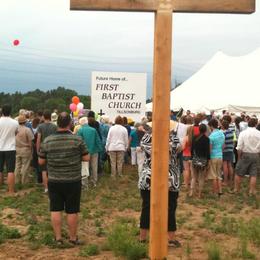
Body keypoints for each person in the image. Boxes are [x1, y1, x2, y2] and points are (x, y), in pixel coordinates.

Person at [38, 112, 89, 245]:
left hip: (54, 179)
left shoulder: (48, 140)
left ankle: (58, 238)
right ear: (70, 124)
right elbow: (86, 157)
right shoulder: (77, 139)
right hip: (73, 180)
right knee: (72, 210)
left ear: (57, 123)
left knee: (55, 209)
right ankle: (72, 238)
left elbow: (41, 162)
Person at [138, 120, 181, 247]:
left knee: (146, 207)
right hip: (170, 178)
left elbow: (143, 148)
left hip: (148, 176)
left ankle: (142, 237)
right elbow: (177, 149)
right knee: (170, 208)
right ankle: (171, 238)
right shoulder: (172, 137)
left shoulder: (147, 137)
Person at [234, 118, 260, 195]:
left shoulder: (243, 133)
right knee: (253, 174)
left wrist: (239, 157)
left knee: (239, 173)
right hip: (255, 154)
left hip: (245, 154)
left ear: (248, 123)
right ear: (256, 124)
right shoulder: (259, 133)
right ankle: (251, 191)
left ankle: (237, 190)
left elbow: (239, 147)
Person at [77, 118, 103, 187]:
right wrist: (100, 149)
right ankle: (94, 182)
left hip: (84, 152)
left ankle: (85, 183)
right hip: (94, 150)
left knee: (85, 167)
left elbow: (78, 142)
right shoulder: (93, 130)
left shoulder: (80, 130)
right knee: (94, 166)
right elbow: (98, 140)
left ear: (81, 123)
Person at [36, 110, 57, 193]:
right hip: (52, 148)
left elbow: (38, 139)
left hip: (43, 148)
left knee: (44, 170)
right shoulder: (54, 126)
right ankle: (53, 186)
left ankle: (46, 188)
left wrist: (37, 149)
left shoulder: (40, 126)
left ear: (44, 117)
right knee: (52, 168)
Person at [0, 104, 19, 194]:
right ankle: (11, 191)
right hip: (10, 148)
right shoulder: (15, 122)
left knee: (0, 170)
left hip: (0, 147)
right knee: (10, 170)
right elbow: (16, 133)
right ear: (10, 111)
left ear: (2, 111)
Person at [190, 124, 210, 198]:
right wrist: (208, 161)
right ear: (205, 130)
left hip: (195, 159)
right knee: (201, 178)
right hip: (203, 160)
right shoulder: (207, 139)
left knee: (194, 177)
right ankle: (199, 194)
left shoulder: (194, 137)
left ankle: (191, 192)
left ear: (199, 129)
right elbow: (207, 151)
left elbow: (192, 149)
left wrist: (192, 157)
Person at [14, 115, 34, 184]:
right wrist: (31, 150)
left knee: (17, 166)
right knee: (25, 166)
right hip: (25, 149)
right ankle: (24, 181)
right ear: (25, 121)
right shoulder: (27, 130)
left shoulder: (15, 129)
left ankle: (16, 180)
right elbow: (30, 141)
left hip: (17, 148)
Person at [208, 118, 225, 196]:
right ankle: (220, 191)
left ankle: (214, 192)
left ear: (211, 126)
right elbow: (223, 146)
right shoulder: (222, 133)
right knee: (219, 175)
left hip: (213, 156)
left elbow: (210, 149)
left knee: (213, 176)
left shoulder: (211, 136)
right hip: (220, 156)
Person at [221, 120, 234, 187]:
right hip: (231, 150)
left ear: (223, 126)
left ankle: (225, 181)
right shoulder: (231, 131)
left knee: (224, 166)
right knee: (230, 165)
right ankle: (231, 180)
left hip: (225, 151)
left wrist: (221, 150)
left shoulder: (223, 133)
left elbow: (223, 144)